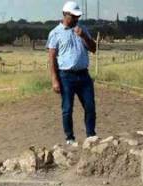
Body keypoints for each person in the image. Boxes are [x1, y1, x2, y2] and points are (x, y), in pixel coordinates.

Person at [47, 1, 98, 146]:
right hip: (66, 76)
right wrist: (54, 80)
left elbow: (94, 49)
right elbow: (51, 58)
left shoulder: (83, 29)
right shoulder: (55, 33)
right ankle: (70, 138)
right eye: (73, 16)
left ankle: (91, 135)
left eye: (78, 16)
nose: (76, 19)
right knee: (67, 109)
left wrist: (84, 37)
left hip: (83, 75)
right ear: (65, 14)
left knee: (90, 107)